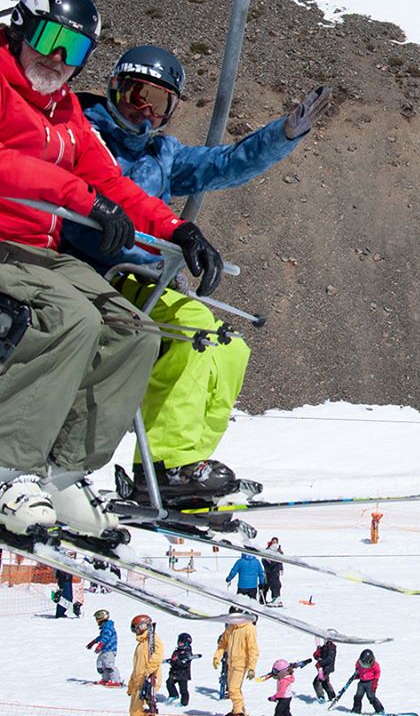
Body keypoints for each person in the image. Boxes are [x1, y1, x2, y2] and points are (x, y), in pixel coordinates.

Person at [0, 0, 224, 539]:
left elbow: (108, 181)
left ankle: (63, 473)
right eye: (49, 38)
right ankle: (3, 474)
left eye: (73, 49)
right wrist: (79, 198)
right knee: (71, 319)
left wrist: (177, 228)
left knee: (134, 331)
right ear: (20, 30)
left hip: (35, 253)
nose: (57, 58)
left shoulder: (65, 109)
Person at [62, 44, 330, 508]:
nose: (144, 110)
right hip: (94, 273)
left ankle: (188, 465)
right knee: (192, 332)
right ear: (113, 88)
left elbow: (224, 165)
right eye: (135, 94)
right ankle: (165, 466)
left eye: (159, 102)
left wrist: (284, 133)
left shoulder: (161, 155)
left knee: (229, 348)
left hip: (140, 280)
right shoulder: (82, 136)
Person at [212, 607, 259, 716]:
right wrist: (217, 657)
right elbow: (223, 643)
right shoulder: (231, 627)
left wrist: (251, 668)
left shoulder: (249, 628)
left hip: (241, 664)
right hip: (231, 663)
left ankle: (238, 712)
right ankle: (239, 710)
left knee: (233, 689)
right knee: (234, 689)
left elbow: (253, 649)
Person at [128, 614, 163, 716]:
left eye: (137, 627)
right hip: (138, 682)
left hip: (147, 680)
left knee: (139, 712)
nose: (136, 631)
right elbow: (137, 666)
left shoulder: (153, 640)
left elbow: (157, 657)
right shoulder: (141, 643)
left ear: (144, 625)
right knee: (134, 712)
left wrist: (148, 671)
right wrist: (131, 684)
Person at [87, 609, 122, 686]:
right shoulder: (105, 627)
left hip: (110, 649)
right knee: (103, 664)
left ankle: (116, 681)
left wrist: (100, 645)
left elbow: (106, 637)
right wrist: (93, 642)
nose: (96, 621)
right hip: (105, 650)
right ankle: (106, 679)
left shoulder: (108, 627)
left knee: (109, 665)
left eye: (97, 618)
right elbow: (101, 637)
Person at [165, 632, 201, 706]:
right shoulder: (176, 651)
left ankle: (184, 703)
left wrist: (177, 660)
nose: (180, 644)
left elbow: (184, 664)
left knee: (183, 689)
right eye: (179, 642)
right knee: (169, 683)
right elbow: (174, 661)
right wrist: (171, 661)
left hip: (183, 674)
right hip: (174, 673)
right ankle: (173, 695)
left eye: (182, 642)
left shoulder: (187, 653)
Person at [351, 649, 383, 715]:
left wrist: (375, 682)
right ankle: (356, 710)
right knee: (358, 696)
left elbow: (377, 672)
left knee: (371, 696)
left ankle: (379, 710)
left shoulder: (375, 664)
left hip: (370, 682)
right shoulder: (359, 662)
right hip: (362, 682)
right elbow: (358, 669)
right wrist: (357, 675)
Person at [312, 637, 337, 703]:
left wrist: (320, 661)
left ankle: (321, 697)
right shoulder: (325, 647)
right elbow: (317, 656)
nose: (324, 640)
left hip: (326, 669)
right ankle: (332, 696)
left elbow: (329, 660)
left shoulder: (331, 648)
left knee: (316, 682)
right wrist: (317, 653)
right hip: (323, 668)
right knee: (325, 682)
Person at [261, 537, 284, 607]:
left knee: (275, 584)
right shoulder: (267, 550)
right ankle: (263, 599)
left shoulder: (279, 551)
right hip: (268, 571)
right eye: (273, 542)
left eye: (275, 542)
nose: (274, 543)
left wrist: (281, 569)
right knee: (267, 584)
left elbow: (281, 561)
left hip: (275, 571)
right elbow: (263, 560)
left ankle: (276, 598)